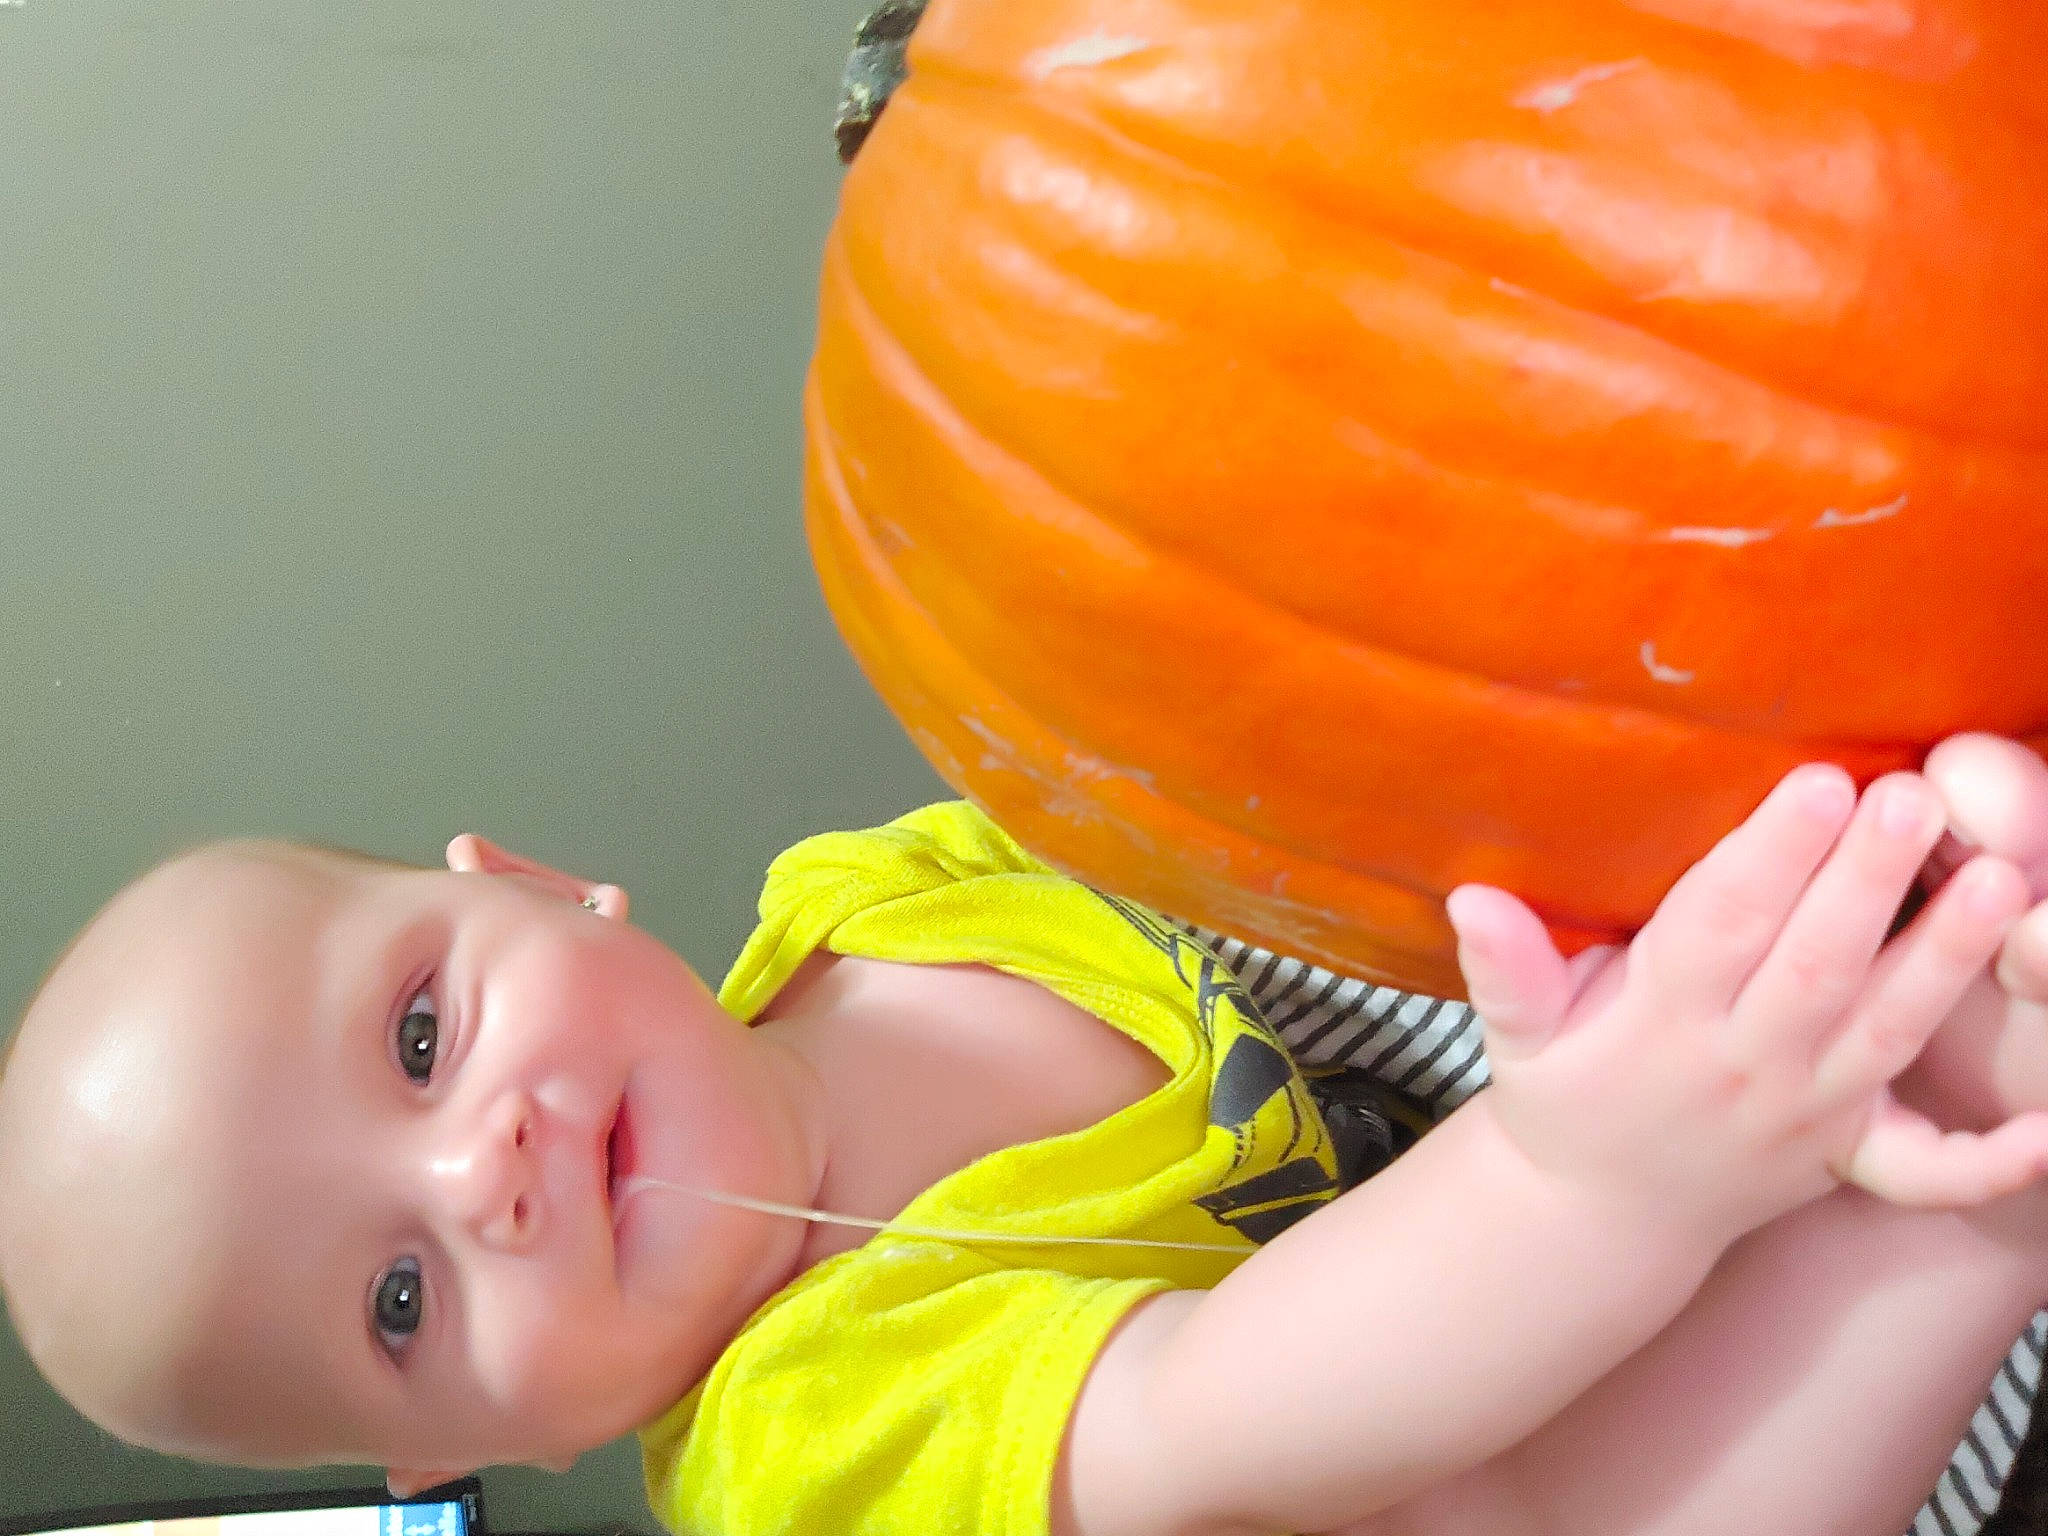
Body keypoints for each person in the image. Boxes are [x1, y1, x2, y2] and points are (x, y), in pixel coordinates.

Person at [1, 734, 2045, 1536]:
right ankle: (1979, 1198)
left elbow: (1252, 860)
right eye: (397, 1293)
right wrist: (1605, 1172)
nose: (482, 1173)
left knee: (1898, 864)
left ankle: (1928, 1015)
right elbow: (1222, 1409)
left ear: (534, 881)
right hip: (1565, 1461)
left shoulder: (872, 898)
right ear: (466, 1455)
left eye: (423, 1034)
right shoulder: (802, 1443)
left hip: (1532, 1187)